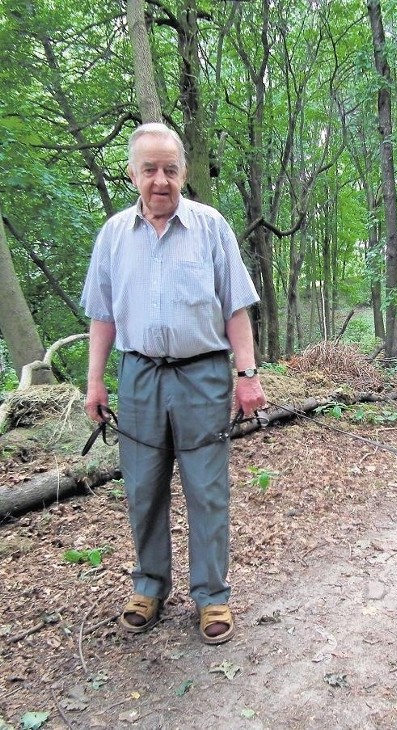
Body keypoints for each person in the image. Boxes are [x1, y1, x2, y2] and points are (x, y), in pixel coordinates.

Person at [81, 122, 266, 644]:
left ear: (183, 171)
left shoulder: (211, 227)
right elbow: (102, 315)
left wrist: (246, 374)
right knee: (142, 488)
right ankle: (149, 586)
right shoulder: (114, 235)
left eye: (169, 169)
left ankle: (212, 597)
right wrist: (95, 383)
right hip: (137, 375)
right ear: (133, 174)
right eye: (149, 170)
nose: (160, 180)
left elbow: (235, 307)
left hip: (203, 374)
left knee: (206, 491)